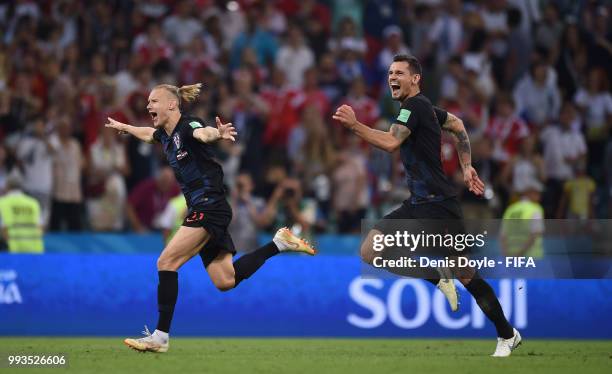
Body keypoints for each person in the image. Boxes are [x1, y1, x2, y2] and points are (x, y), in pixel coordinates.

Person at [105, 83, 316, 353]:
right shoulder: (165, 135)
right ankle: (279, 244)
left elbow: (202, 134)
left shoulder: (188, 126)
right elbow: (148, 134)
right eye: (148, 102)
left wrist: (218, 133)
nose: (148, 106)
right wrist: (127, 127)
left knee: (166, 261)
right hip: (206, 207)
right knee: (225, 280)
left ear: (172, 104)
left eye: (154, 101)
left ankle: (160, 336)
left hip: (209, 205)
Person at [333, 55, 520, 357]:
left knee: (466, 273)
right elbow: (457, 125)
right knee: (370, 252)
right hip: (417, 204)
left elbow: (392, 142)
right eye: (390, 72)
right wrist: (467, 165)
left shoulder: (414, 106)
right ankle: (437, 277)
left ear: (416, 78)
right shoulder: (423, 110)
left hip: (440, 207)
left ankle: (506, 334)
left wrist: (355, 125)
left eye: (400, 73)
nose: (392, 77)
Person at [0, 172, 44, 253]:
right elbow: (40, 228)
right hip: (34, 250)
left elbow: (3, 229)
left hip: (13, 250)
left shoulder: (2, 203)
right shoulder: (33, 203)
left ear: (7, 187)